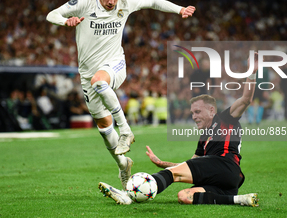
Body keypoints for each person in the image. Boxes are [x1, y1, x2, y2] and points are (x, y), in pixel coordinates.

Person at [46, 0, 196, 189]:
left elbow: (152, 2)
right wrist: (64, 20)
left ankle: (126, 131)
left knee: (100, 81)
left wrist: (179, 9)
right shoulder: (84, 3)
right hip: (87, 73)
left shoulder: (126, 2)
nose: (112, 2)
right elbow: (52, 14)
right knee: (103, 125)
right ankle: (123, 165)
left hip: (114, 64)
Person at [98, 53, 259, 206]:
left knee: (172, 174)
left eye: (198, 112)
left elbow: (246, 99)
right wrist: (161, 163)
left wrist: (252, 73)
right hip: (227, 181)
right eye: (192, 113)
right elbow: (190, 165)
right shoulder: (204, 138)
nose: (194, 117)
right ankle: (238, 200)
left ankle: (127, 194)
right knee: (185, 196)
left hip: (226, 165)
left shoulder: (225, 118)